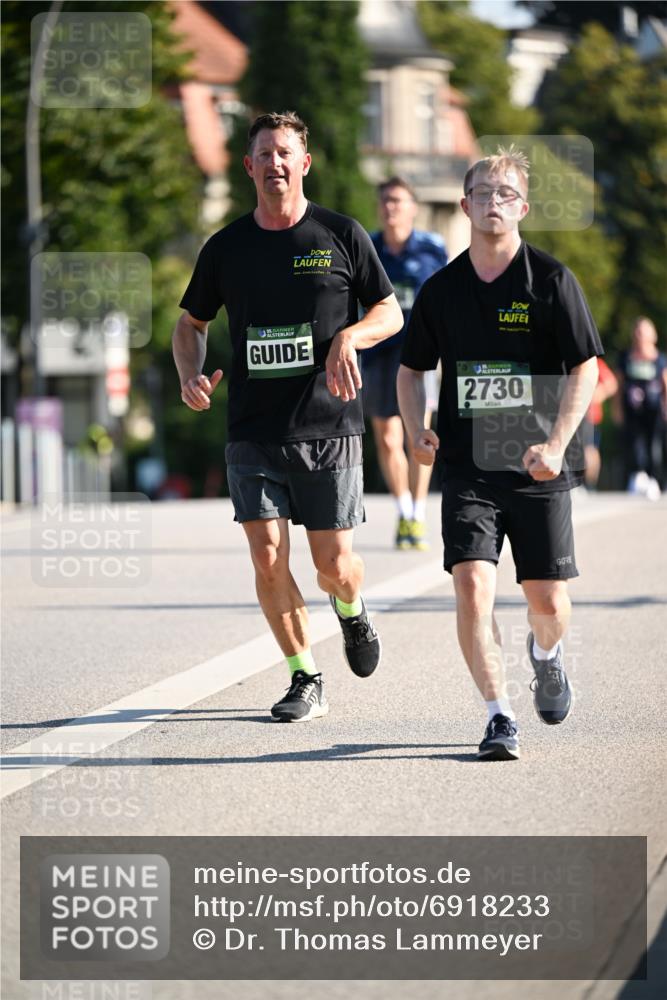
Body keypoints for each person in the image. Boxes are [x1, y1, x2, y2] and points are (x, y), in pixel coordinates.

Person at [173, 111, 403, 723]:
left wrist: (350, 338)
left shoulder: (340, 234)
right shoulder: (226, 248)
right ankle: (305, 676)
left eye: (285, 153)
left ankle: (351, 611)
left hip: (328, 426)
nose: (274, 164)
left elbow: (390, 311)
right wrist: (189, 374)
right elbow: (190, 324)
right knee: (269, 556)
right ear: (248, 166)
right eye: (264, 154)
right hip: (253, 428)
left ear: (304, 163)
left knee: (333, 567)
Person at [397, 145, 602, 761]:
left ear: (523, 208)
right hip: (469, 467)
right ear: (463, 206)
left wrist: (558, 443)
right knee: (472, 589)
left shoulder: (552, 281)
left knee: (548, 602)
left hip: (538, 464)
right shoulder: (442, 290)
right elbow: (411, 371)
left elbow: (585, 367)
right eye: (482, 193)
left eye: (505, 194)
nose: (493, 203)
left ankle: (546, 655)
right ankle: (498, 714)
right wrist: (417, 428)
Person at [362, 177, 448, 550]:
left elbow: (449, 297)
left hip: (420, 357)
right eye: (385, 201)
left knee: (419, 434)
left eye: (398, 201)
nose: (390, 207)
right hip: (379, 353)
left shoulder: (433, 248)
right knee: (386, 436)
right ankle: (402, 508)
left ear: (413, 207)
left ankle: (416, 514)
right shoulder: (368, 246)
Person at [615, 316, 667, 501]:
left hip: (653, 411)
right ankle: (637, 476)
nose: (640, 335)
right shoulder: (625, 358)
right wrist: (617, 409)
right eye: (637, 331)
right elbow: (619, 386)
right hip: (632, 411)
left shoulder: (659, 359)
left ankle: (654, 479)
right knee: (635, 444)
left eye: (643, 331)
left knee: (654, 445)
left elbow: (665, 383)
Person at [583, 357, 618, 489]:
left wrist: (595, 396)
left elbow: (612, 384)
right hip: (570, 415)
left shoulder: (595, 362)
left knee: (589, 449)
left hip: (589, 416)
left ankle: (589, 485)